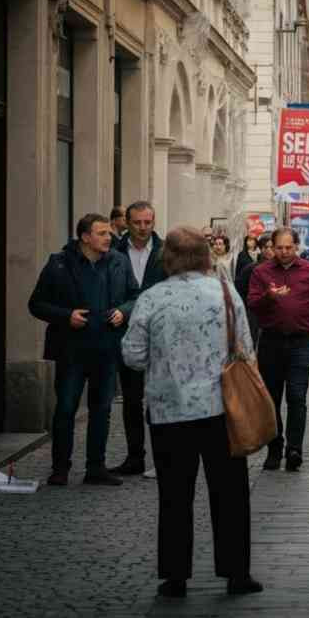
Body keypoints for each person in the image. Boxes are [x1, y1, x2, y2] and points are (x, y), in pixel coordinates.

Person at [120, 226, 262, 598]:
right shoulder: (226, 294)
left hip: (170, 412)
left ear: (167, 258)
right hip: (222, 409)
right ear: (205, 255)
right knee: (230, 493)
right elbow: (245, 348)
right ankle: (236, 573)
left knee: (174, 495)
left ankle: (176, 575)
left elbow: (132, 356)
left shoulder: (152, 298)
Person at [29, 213, 138, 487]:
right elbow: (36, 304)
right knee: (65, 408)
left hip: (106, 349)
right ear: (85, 237)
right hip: (71, 351)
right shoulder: (60, 263)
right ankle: (60, 468)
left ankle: (96, 467)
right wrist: (66, 316)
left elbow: (135, 296)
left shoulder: (118, 261)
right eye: (101, 233)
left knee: (101, 410)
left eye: (108, 233)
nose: (108, 237)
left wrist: (124, 312)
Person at [247, 228, 309, 471]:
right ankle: (275, 448)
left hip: (301, 342)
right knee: (272, 399)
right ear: (271, 248)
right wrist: (269, 296)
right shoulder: (261, 272)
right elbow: (252, 304)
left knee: (297, 397)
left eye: (289, 247)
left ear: (296, 246)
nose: (284, 252)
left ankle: (294, 449)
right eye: (279, 248)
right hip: (271, 342)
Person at [109, 201, 167, 476]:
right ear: (127, 223)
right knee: (131, 399)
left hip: (160, 333)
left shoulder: (167, 251)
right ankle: (135, 457)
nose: (143, 228)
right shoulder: (114, 250)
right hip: (125, 332)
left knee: (157, 397)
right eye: (137, 222)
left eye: (148, 222)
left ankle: (161, 458)